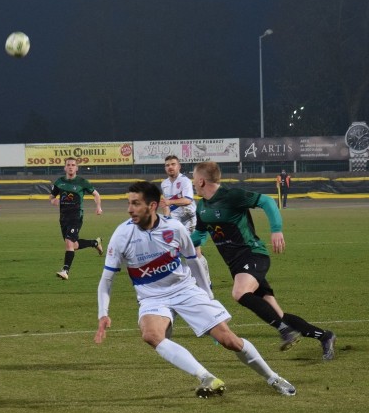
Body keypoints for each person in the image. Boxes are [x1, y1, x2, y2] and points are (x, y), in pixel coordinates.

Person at [95, 180, 297, 397]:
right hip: (152, 297)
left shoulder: (174, 228)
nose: (129, 209)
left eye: (135, 204)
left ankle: (273, 377)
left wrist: (208, 295)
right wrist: (103, 314)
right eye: (129, 203)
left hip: (185, 289)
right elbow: (107, 279)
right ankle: (206, 377)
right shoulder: (121, 236)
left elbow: (194, 261)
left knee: (229, 340)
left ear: (152, 206)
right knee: (151, 335)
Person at [191, 160, 337, 359]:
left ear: (200, 181)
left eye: (193, 178)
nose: (191, 182)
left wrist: (276, 230)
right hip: (236, 265)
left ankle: (284, 331)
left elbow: (266, 201)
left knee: (239, 292)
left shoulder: (231, 195)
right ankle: (325, 336)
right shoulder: (202, 207)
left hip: (253, 255)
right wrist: (174, 246)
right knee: (278, 314)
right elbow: (199, 236)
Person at [50, 157, 103, 280]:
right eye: (68, 164)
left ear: (77, 168)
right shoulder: (59, 182)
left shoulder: (82, 182)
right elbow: (51, 197)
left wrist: (98, 207)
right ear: (64, 167)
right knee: (73, 245)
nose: (70, 167)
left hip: (76, 216)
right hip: (63, 218)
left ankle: (65, 271)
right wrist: (54, 201)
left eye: (73, 165)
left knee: (68, 243)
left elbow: (96, 194)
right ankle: (95, 243)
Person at [160, 155, 210, 282]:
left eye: (173, 164)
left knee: (194, 252)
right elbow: (166, 204)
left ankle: (205, 281)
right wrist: (166, 222)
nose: (170, 167)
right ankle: (187, 280)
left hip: (190, 220)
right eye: (167, 165)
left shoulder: (185, 181)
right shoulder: (164, 184)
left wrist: (169, 201)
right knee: (177, 252)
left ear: (179, 166)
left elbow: (188, 200)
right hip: (175, 223)